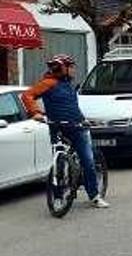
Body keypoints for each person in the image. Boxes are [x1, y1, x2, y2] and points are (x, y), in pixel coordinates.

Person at [21, 54, 110, 209]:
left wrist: (83, 119)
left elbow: (72, 107)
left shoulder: (69, 84)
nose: (73, 70)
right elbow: (27, 95)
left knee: (87, 161)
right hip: (57, 127)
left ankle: (94, 196)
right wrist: (34, 112)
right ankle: (57, 196)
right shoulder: (48, 83)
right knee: (59, 163)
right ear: (62, 68)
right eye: (71, 67)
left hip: (77, 127)